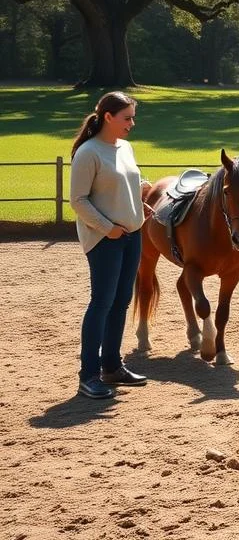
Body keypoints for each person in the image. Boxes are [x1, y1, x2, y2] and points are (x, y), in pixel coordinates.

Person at [70, 91, 150, 399]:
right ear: (108, 117)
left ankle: (112, 366)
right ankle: (88, 375)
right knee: (101, 304)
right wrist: (108, 228)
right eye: (127, 118)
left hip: (132, 236)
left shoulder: (125, 147)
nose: (132, 123)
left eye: (132, 117)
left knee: (120, 303)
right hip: (105, 240)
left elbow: (129, 180)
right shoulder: (88, 153)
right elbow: (78, 200)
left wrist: (141, 190)